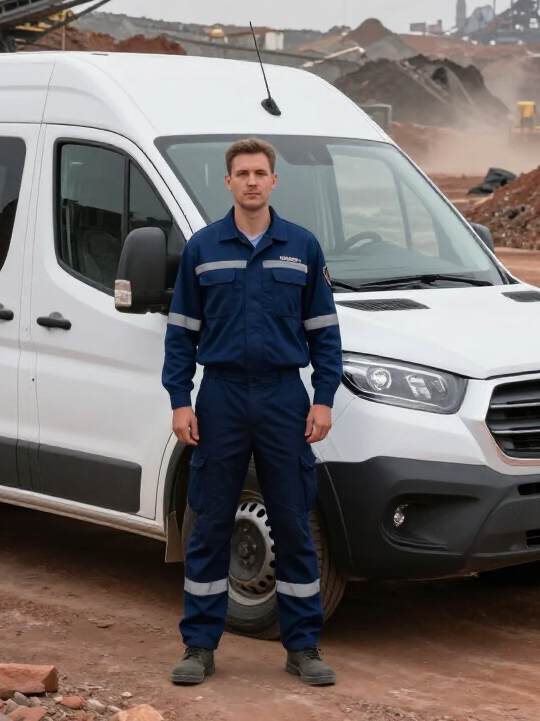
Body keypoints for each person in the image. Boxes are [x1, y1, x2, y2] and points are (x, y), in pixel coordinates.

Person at [162, 137, 342, 687]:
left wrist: (324, 397)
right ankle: (198, 646)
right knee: (211, 522)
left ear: (274, 181)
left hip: (284, 397)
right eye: (242, 173)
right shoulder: (203, 248)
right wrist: (179, 401)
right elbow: (180, 336)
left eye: (260, 172)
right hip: (220, 398)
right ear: (228, 182)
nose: (251, 181)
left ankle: (303, 647)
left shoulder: (302, 248)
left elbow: (326, 335)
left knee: (291, 521)